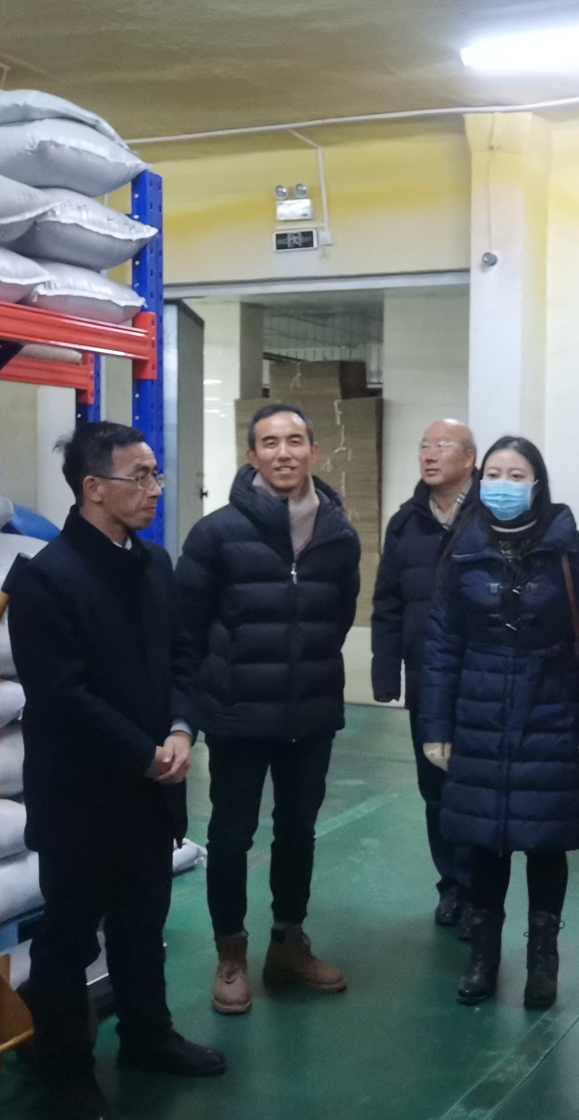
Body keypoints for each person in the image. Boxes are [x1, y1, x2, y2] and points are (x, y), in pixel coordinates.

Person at [7, 422, 226, 1120]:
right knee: (69, 939)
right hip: (81, 797)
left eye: (156, 475)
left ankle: (147, 1037)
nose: (156, 490)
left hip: (151, 789)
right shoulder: (47, 578)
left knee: (142, 922)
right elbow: (62, 697)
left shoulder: (154, 564)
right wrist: (144, 752)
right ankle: (65, 1071)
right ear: (94, 488)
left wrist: (182, 728)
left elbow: (183, 656)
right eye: (142, 477)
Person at [179, 403, 361, 1015]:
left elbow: (338, 616)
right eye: (270, 442)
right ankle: (231, 954)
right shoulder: (216, 533)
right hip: (238, 712)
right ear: (252, 454)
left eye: (295, 440)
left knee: (298, 830)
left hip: (311, 712)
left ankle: (288, 942)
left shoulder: (339, 534)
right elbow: (188, 625)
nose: (284, 452)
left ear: (314, 451)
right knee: (231, 834)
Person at [420, 436, 579, 1010]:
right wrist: (436, 724)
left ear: (538, 483)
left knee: (545, 839)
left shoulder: (572, 548)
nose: (504, 485)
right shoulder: (463, 547)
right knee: (483, 841)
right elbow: (442, 642)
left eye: (517, 475)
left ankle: (543, 958)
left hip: (550, 710)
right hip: (478, 710)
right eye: (495, 474)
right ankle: (483, 956)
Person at [372, 419, 477, 931]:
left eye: (443, 446)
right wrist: (384, 672)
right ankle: (451, 886)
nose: (430, 455)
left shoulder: (491, 518)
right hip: (425, 680)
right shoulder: (405, 523)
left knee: (475, 787)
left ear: (470, 458)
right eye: (424, 446)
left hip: (481, 680)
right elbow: (387, 602)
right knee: (434, 787)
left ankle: (480, 893)